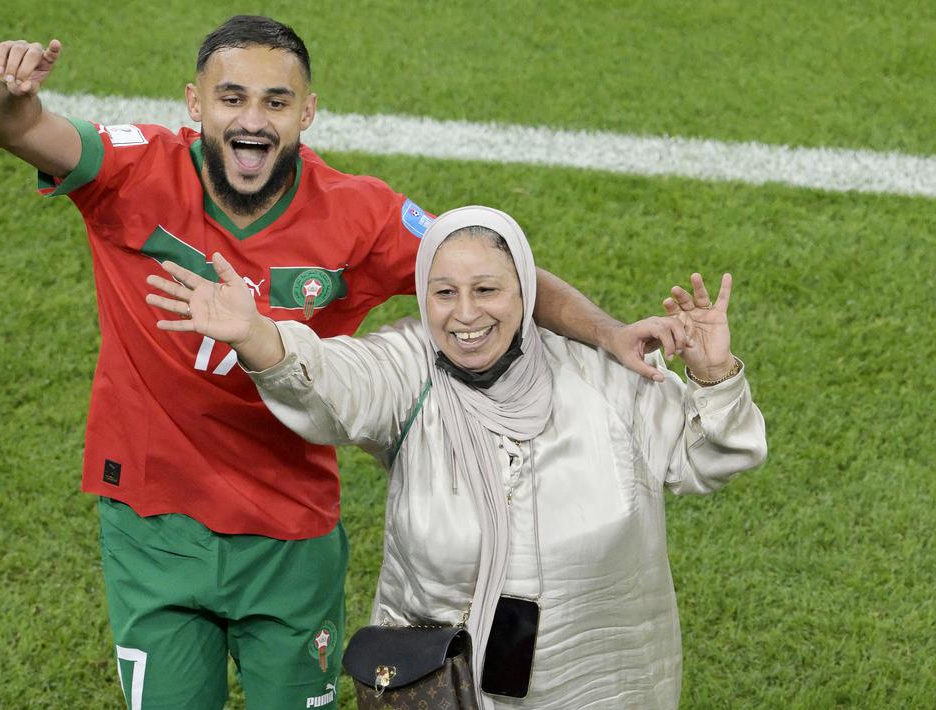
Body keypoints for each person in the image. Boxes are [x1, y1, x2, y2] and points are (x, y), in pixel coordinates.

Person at [0, 15, 686, 709]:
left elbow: (491, 271)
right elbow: (16, 129)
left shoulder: (361, 216)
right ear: (194, 104)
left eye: (275, 101)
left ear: (307, 112)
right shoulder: (132, 168)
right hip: (151, 522)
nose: (252, 120)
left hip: (288, 532)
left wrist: (606, 331)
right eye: (231, 98)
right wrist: (11, 93)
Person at [147, 205, 767, 708]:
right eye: (444, 292)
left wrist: (715, 376)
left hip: (603, 681)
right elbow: (331, 380)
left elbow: (710, 457)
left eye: (486, 289)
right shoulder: (410, 368)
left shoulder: (606, 375)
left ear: (525, 292)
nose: (465, 314)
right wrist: (257, 334)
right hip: (443, 686)